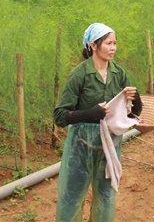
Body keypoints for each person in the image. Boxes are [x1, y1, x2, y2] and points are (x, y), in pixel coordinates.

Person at [53, 22, 142, 222]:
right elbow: (60, 116)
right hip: (81, 146)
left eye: (115, 43)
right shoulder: (80, 75)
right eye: (108, 43)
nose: (113, 48)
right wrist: (90, 113)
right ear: (94, 45)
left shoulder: (119, 74)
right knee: (72, 197)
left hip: (109, 146)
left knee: (106, 195)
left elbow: (133, 114)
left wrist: (136, 99)